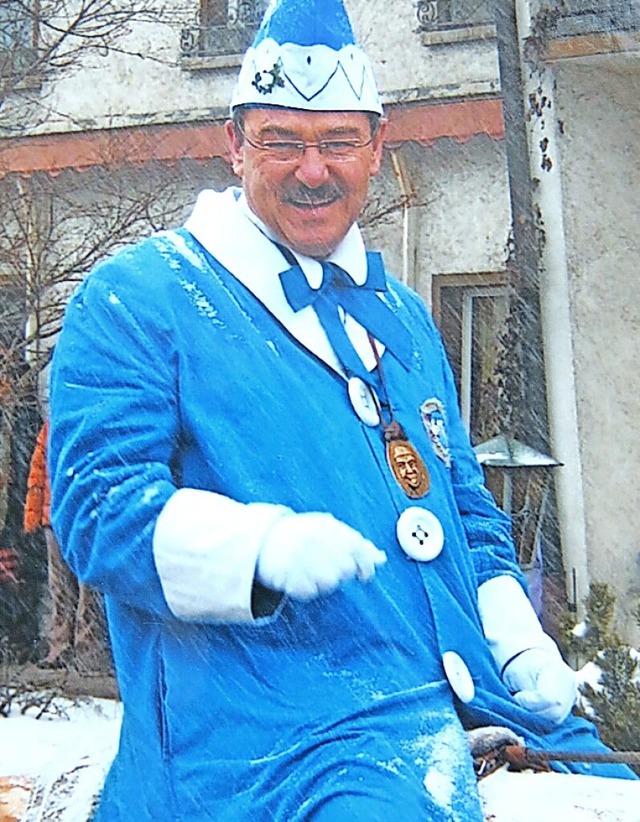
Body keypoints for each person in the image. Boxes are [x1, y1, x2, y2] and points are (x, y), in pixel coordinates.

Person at [47, 1, 637, 819]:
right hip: (266, 747)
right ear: (234, 145)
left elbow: (462, 508)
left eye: (337, 142)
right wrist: (257, 549)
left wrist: (516, 640)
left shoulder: (403, 318)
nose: (311, 169)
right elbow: (97, 510)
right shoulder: (140, 299)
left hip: (467, 711)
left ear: (377, 148)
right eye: (281, 140)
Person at [24, 420, 111, 672]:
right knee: (62, 588)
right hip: (57, 519)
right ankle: (61, 649)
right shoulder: (53, 426)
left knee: (88, 590)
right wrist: (35, 514)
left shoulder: (86, 423)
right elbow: (38, 469)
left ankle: (87, 652)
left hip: (82, 517)